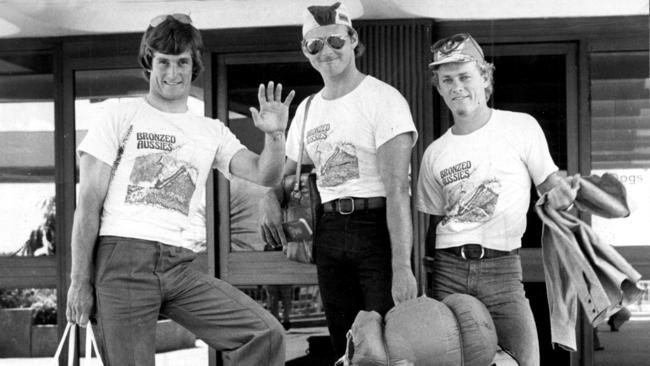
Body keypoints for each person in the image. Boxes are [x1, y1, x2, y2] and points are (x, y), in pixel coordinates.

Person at [65, 14, 295, 366]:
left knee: (263, 333)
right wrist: (79, 281)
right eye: (164, 62)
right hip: (122, 260)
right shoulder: (119, 114)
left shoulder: (210, 130)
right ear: (149, 63)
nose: (173, 73)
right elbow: (88, 205)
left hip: (177, 264)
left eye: (182, 62)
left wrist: (276, 137)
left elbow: (265, 174)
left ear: (194, 65)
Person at [259, 2, 418, 356]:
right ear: (306, 51)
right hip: (329, 231)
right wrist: (268, 197)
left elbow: (397, 191)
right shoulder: (308, 108)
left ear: (353, 38)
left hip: (376, 228)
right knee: (341, 347)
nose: (326, 51)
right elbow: (285, 175)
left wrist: (402, 267)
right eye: (315, 45)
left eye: (334, 41)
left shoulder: (383, 99)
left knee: (385, 347)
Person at [416, 33, 578, 366]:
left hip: (503, 269)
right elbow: (431, 223)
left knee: (526, 359)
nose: (457, 86)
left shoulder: (521, 127)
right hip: (448, 269)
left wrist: (567, 193)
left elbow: (550, 185)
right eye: (447, 80)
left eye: (465, 76)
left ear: (485, 78)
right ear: (439, 87)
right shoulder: (434, 153)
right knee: (452, 361)